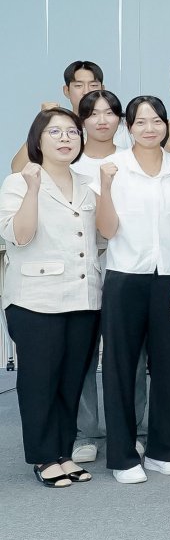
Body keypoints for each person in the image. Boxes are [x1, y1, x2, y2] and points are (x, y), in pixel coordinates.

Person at [94, 96, 170, 483]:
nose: (149, 128)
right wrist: (106, 187)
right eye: (140, 122)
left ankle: (163, 451)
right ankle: (123, 457)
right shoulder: (113, 167)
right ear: (128, 126)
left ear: (166, 125)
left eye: (156, 121)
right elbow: (107, 229)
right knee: (120, 367)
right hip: (125, 276)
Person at [1, 109, 101, 487]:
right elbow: (20, 235)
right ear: (38, 140)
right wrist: (31, 190)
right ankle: (44, 457)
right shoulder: (17, 182)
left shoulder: (88, 184)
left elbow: (99, 239)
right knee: (40, 380)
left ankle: (63, 452)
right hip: (35, 299)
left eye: (72, 132)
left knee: (71, 380)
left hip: (83, 296)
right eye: (54, 132)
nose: (65, 139)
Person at [68, 89, 123, 463]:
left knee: (128, 356)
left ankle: (133, 430)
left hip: (125, 266)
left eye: (109, 112)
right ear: (82, 120)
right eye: (93, 113)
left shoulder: (133, 158)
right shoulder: (70, 162)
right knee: (83, 355)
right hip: (81, 269)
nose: (102, 120)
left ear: (120, 119)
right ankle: (85, 432)